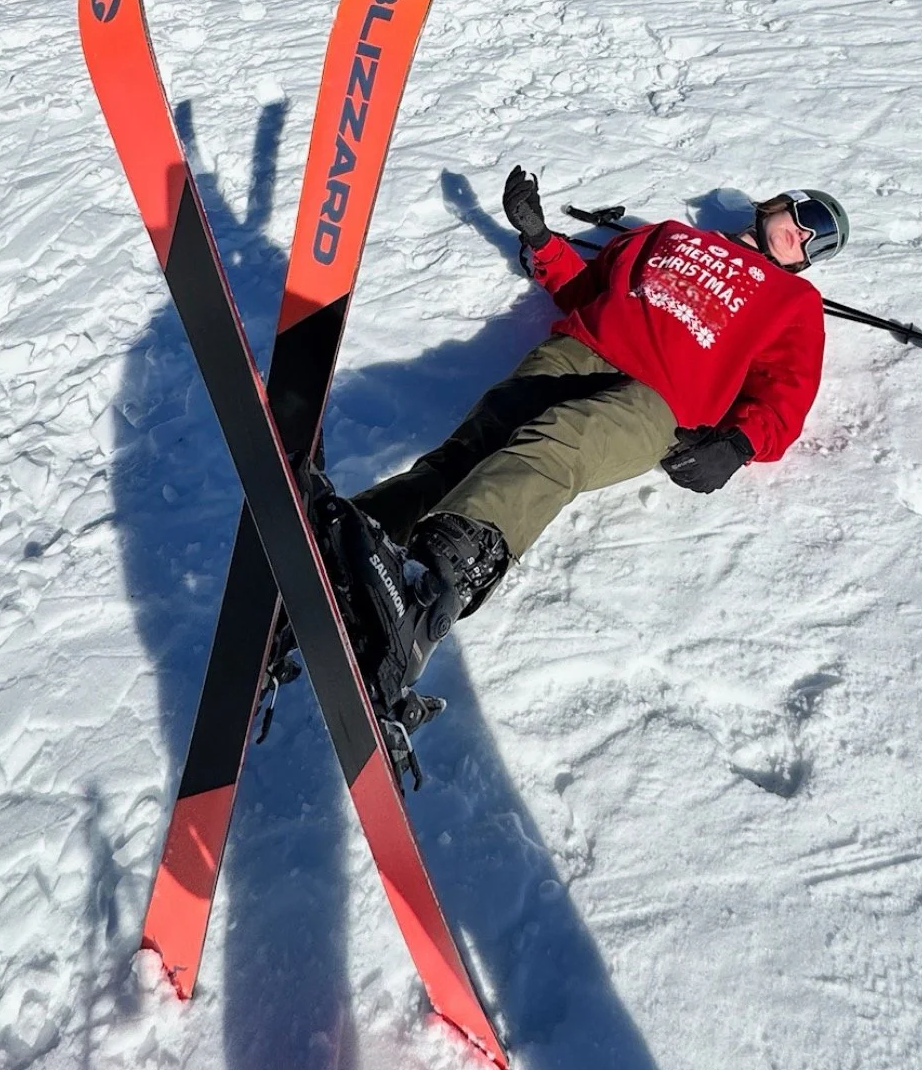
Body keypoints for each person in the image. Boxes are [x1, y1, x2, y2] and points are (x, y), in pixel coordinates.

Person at [317, 171, 849, 731]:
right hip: (580, 348)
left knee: (559, 442)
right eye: (808, 219)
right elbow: (585, 286)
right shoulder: (666, 236)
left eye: (820, 244)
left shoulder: (794, 301)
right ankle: (353, 542)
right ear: (782, 205)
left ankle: (430, 592)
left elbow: (784, 400)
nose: (804, 238)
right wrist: (542, 240)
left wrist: (737, 445)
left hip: (662, 399)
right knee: (472, 447)